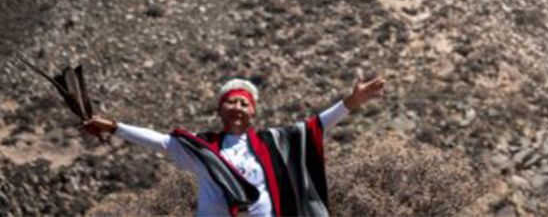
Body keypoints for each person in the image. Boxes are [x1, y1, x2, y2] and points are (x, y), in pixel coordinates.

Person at [82, 75, 386, 217]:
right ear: (220, 109)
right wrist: (115, 127)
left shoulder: (272, 142)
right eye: (232, 102)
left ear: (252, 112)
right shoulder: (202, 147)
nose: (238, 107)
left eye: (244, 103)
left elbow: (316, 125)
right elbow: (160, 141)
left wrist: (352, 101)